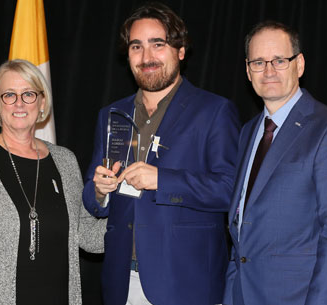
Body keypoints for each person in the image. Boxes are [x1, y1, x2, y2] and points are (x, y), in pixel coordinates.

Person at [82, 3, 240, 305]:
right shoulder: (111, 114)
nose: (147, 57)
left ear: (180, 50)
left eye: (158, 44)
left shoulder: (214, 111)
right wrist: (99, 190)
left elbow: (230, 190)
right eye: (136, 46)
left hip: (186, 282)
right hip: (121, 283)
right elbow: (93, 202)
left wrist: (162, 180)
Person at [0, 59, 105, 305]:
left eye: (29, 94)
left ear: (42, 102)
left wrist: (134, 212)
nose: (20, 103)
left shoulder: (65, 161)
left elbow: (86, 234)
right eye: (9, 95)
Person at [223, 21, 327, 305]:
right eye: (259, 62)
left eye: (279, 60)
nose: (269, 70)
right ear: (248, 71)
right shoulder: (248, 131)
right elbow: (241, 227)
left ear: (299, 65)